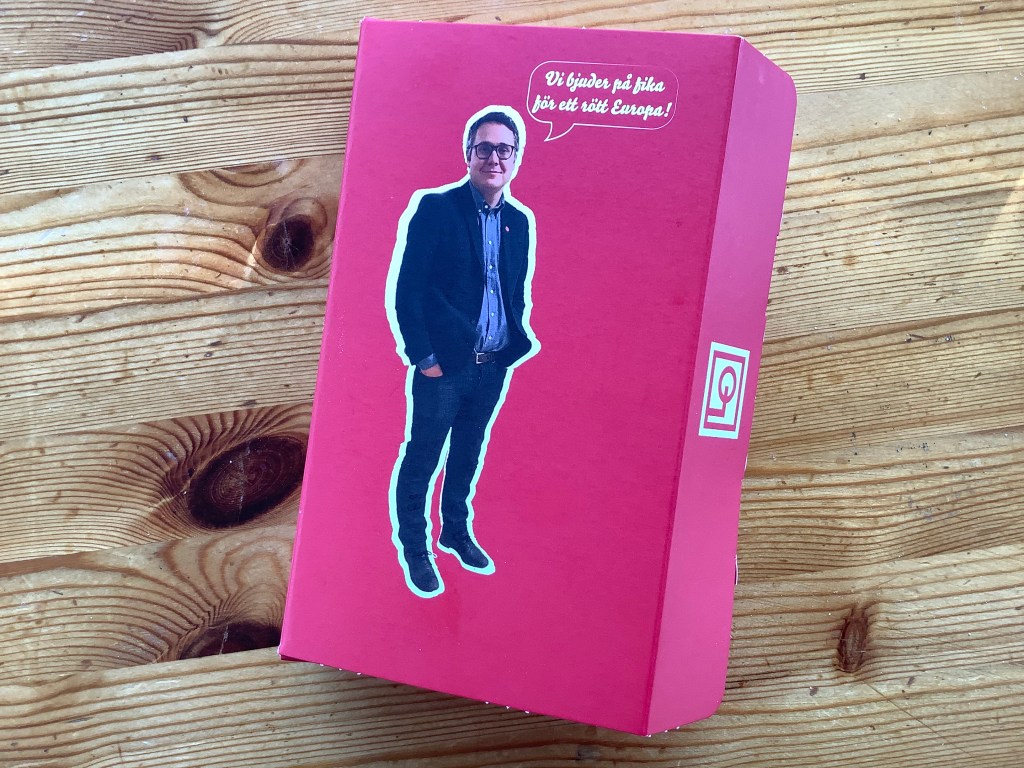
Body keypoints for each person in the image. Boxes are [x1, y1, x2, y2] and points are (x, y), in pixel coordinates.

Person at [388, 108, 538, 598]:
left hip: (491, 367)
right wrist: (423, 357)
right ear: (469, 154)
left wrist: (508, 348)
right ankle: (416, 548)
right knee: (423, 457)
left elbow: (513, 293)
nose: (494, 158)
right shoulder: (436, 209)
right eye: (484, 148)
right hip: (443, 369)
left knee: (468, 453)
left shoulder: (519, 222)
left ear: (516, 158)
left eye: (504, 149)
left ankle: (454, 529)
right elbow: (409, 291)